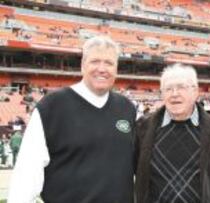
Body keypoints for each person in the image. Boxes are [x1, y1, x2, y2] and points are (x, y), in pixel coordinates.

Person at [8, 36, 136, 203]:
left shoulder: (127, 108)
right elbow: (26, 174)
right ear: (82, 66)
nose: (102, 69)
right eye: (95, 61)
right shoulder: (51, 107)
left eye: (109, 63)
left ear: (116, 69)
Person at [135, 63, 210, 203]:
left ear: (195, 91)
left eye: (181, 87)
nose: (174, 94)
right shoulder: (143, 127)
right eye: (168, 89)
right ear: (162, 93)